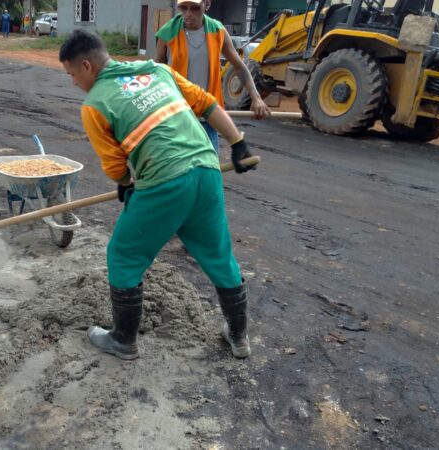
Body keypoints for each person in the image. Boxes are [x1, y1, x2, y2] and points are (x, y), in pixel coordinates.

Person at [59, 29, 257, 360]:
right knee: (219, 256)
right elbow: (207, 104)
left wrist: (124, 183)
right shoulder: (156, 70)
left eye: (72, 75)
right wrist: (238, 143)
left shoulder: (94, 105)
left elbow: (114, 164)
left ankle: (123, 340)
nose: (73, 82)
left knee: (123, 254)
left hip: (166, 182)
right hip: (206, 171)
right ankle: (239, 338)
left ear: (86, 66)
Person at [155, 0, 270, 151]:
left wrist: (256, 98)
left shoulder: (217, 31)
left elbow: (239, 67)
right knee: (179, 164)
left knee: (209, 163)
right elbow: (159, 70)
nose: (188, 14)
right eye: (183, 8)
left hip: (209, 114)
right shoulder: (167, 33)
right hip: (178, 113)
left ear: (207, 5)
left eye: (195, 8)